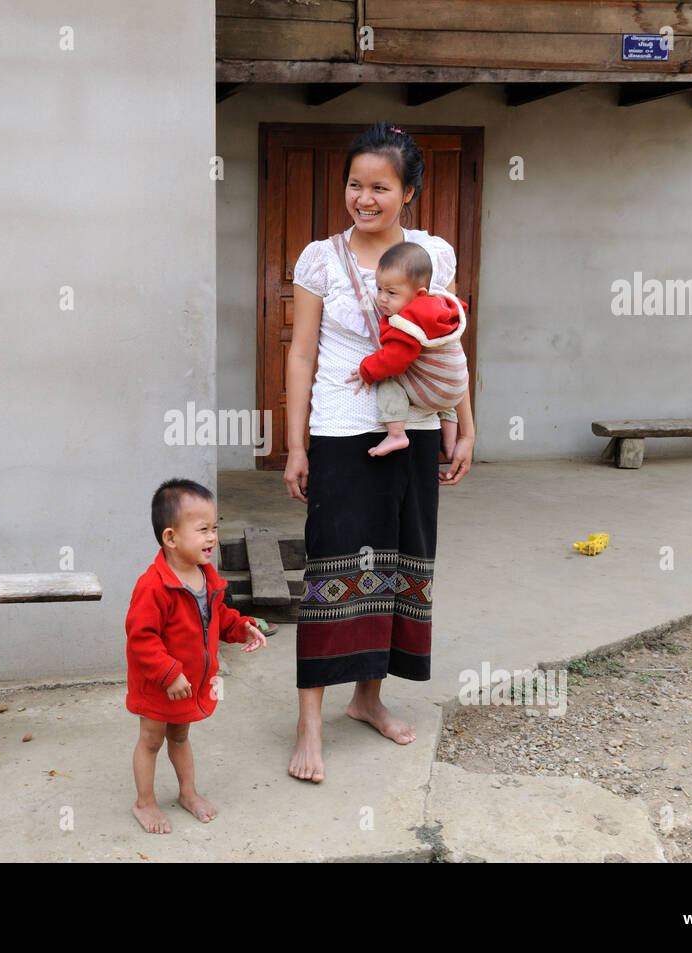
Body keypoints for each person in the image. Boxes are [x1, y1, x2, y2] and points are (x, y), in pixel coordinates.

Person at [284, 121, 474, 783]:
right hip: (341, 428)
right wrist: (295, 442)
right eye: (355, 184)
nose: (364, 198)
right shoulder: (319, 258)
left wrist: (462, 424)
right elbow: (302, 352)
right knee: (331, 568)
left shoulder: (431, 256)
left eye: (380, 187)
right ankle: (310, 721)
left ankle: (368, 698)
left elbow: (445, 343)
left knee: (398, 564)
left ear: (409, 192)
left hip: (415, 428)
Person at [124, 478, 267, 833]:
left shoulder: (207, 576)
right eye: (203, 529)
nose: (212, 537)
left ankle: (188, 793)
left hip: (188, 685)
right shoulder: (153, 585)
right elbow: (140, 638)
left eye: (214, 528)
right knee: (151, 740)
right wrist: (169, 674)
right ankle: (145, 802)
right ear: (170, 538)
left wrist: (242, 627)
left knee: (181, 737)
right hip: (160, 684)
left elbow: (217, 618)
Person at [343, 241, 469, 458]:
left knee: (389, 381)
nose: (382, 298)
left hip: (433, 391)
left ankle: (396, 434)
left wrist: (367, 370)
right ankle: (449, 444)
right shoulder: (442, 305)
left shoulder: (407, 323)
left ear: (419, 294)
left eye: (391, 293)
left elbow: (394, 360)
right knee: (445, 404)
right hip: (456, 389)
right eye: (379, 288)